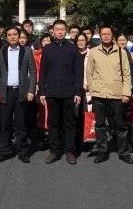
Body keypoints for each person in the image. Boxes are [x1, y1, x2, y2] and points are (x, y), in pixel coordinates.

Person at [85, 26, 133, 164]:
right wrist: (93, 90)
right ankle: (102, 152)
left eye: (108, 34)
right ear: (100, 36)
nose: (106, 36)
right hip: (99, 95)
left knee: (121, 125)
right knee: (100, 125)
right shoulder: (93, 52)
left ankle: (123, 152)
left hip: (117, 94)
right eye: (103, 34)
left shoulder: (121, 52)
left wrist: (126, 93)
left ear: (112, 35)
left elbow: (127, 74)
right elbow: (89, 73)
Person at [38, 20, 83, 165]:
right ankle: (54, 151)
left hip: (69, 92)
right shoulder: (47, 49)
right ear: (53, 31)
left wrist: (78, 92)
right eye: (57, 29)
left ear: (66, 31)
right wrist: (42, 92)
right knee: (53, 123)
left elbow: (78, 72)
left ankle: (70, 151)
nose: (59, 32)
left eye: (62, 29)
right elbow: (43, 72)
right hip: (51, 92)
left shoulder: (73, 49)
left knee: (70, 123)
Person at [0, 27, 36, 163]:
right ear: (6, 37)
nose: (12, 37)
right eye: (9, 35)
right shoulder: (1, 52)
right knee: (5, 124)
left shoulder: (26, 51)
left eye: (15, 34)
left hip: (21, 92)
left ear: (19, 36)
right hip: (5, 92)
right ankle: (4, 151)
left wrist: (31, 90)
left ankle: (22, 152)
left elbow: (33, 72)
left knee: (21, 124)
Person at [75, 33, 90, 155]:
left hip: (88, 90)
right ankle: (77, 142)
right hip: (75, 90)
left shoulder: (91, 54)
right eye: (78, 40)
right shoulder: (73, 53)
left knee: (88, 116)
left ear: (86, 41)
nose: (81, 42)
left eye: (83, 40)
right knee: (76, 116)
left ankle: (88, 141)